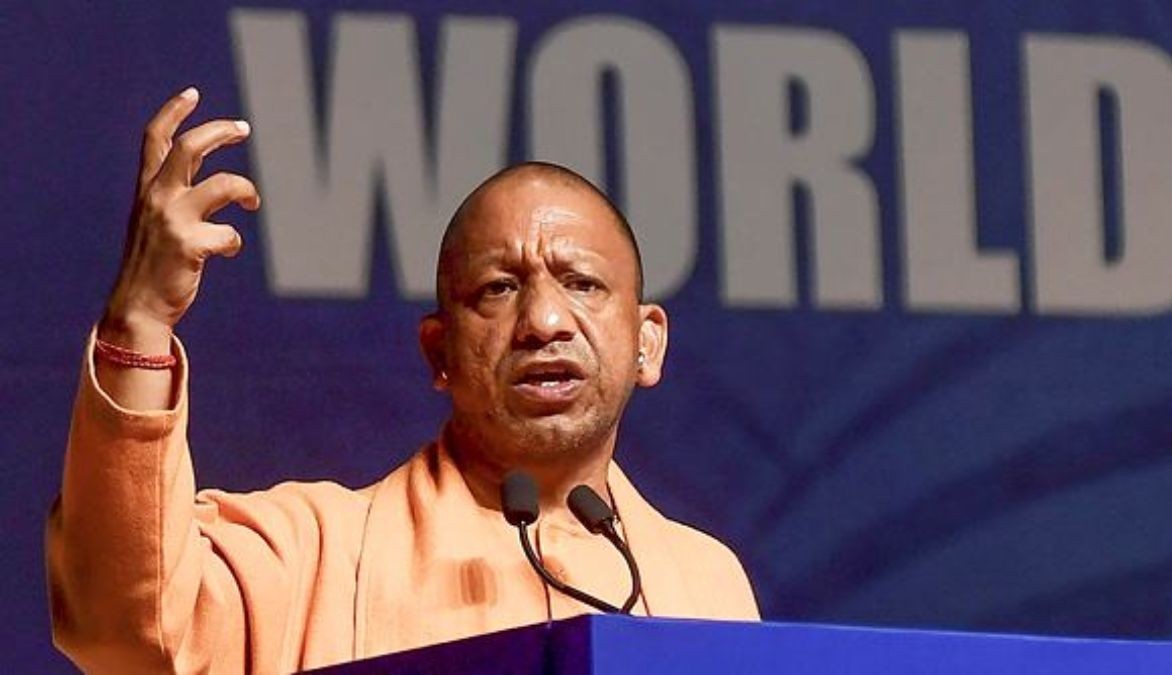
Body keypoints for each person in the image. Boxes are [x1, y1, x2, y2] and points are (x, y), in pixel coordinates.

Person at [47, 88, 758, 673]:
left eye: (581, 283)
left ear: (647, 342)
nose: (543, 320)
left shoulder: (707, 582)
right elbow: (124, 627)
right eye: (499, 288)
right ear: (438, 352)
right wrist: (140, 319)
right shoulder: (309, 556)